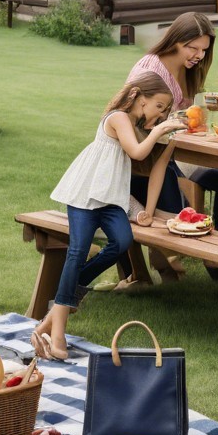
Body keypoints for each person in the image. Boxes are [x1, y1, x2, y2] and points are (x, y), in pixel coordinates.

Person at [31, 73, 181, 360]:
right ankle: (58, 330)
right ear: (141, 97)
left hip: (111, 201)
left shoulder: (137, 127)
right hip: (86, 196)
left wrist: (145, 211)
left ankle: (56, 309)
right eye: (159, 106)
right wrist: (159, 131)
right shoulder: (119, 118)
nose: (161, 114)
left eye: (165, 111)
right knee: (78, 251)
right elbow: (137, 153)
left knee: (122, 242)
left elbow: (157, 164)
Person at [127, 12, 218, 282]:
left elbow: (185, 117)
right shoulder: (149, 72)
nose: (199, 56)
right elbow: (137, 125)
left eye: (204, 50)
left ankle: (216, 256)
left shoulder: (187, 68)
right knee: (178, 215)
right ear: (175, 40)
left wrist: (199, 118)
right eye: (193, 48)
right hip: (146, 162)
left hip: (174, 153)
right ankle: (164, 261)